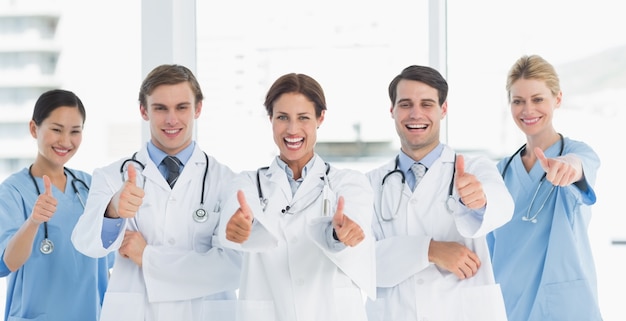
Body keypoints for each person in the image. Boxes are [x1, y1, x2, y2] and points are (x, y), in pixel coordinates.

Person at [71, 64, 242, 321]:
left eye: (181, 107)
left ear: (198, 109)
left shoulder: (227, 182)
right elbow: (86, 244)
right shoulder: (111, 177)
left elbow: (232, 268)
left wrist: (147, 257)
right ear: (144, 110)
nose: (171, 119)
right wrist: (113, 210)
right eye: (160, 108)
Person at [220, 73, 375, 321]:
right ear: (270, 119)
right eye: (282, 117)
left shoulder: (348, 182)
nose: (292, 129)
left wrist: (341, 233)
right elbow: (236, 216)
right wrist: (240, 227)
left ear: (320, 118)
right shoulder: (247, 183)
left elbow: (355, 220)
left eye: (303, 118)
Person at [365, 65, 514, 321]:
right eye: (405, 104)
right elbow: (364, 262)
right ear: (392, 111)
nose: (415, 114)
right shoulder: (370, 184)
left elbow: (503, 206)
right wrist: (429, 250)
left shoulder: (475, 168)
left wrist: (481, 199)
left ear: (443, 110)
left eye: (426, 104)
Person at [486, 55, 602, 321]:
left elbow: (579, 166)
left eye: (538, 99)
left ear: (557, 99)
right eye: (518, 101)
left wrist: (568, 166)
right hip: (509, 304)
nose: (528, 110)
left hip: (565, 307)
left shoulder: (576, 153)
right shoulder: (500, 172)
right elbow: (487, 245)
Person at [0, 89, 113, 320]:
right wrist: (33, 222)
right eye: (56, 130)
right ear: (34, 129)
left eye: (75, 132)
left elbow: (105, 261)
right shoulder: (12, 191)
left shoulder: (90, 186)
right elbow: (8, 262)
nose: (65, 141)